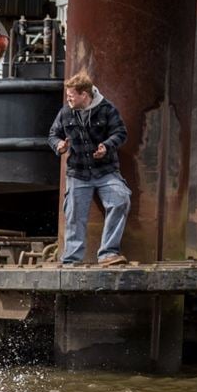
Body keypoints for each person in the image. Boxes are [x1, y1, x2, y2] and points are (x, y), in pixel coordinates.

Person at [48, 70, 132, 266]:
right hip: (78, 173)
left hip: (106, 171)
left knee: (121, 199)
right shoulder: (65, 113)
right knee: (74, 213)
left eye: (71, 96)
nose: (68, 99)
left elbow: (120, 132)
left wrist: (107, 146)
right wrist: (59, 145)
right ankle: (72, 259)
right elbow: (53, 134)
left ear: (84, 95)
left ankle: (108, 253)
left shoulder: (107, 109)